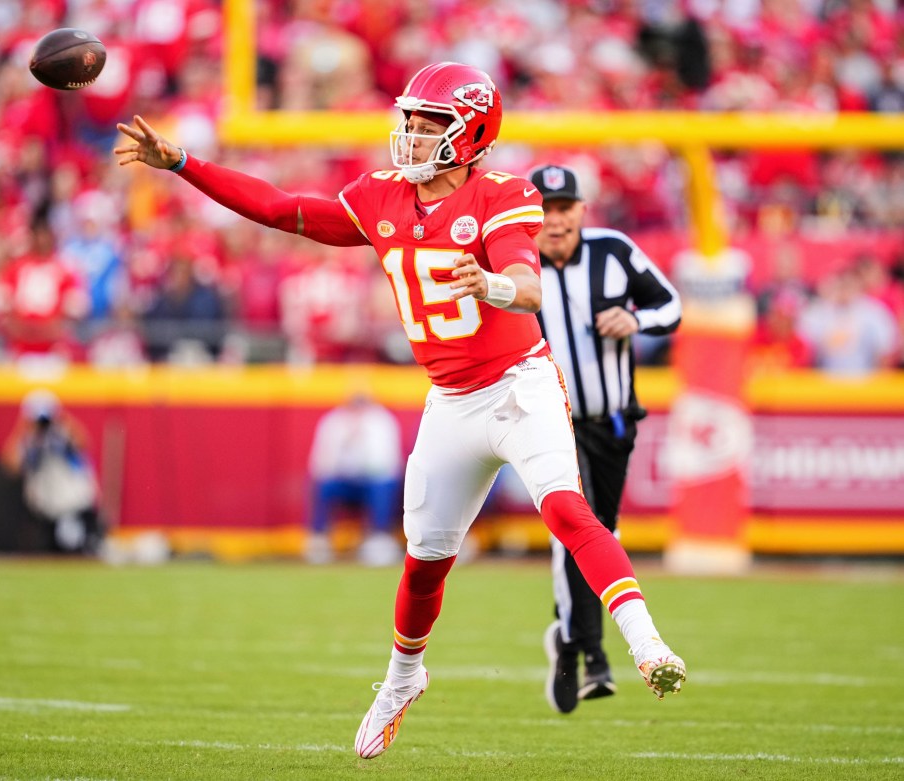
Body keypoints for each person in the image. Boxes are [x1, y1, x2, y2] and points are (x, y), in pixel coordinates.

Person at [114, 60, 686, 759]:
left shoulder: (502, 194)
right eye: (409, 122)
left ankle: (646, 642)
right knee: (424, 561)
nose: (411, 136)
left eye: (428, 125)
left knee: (567, 510)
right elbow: (278, 208)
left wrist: (497, 289)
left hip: (519, 384)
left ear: (470, 133)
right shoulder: (381, 197)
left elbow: (528, 286)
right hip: (451, 399)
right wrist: (181, 162)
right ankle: (402, 679)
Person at [528, 164, 683, 715]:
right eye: (544, 207)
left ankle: (567, 637)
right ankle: (592, 655)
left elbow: (671, 305)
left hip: (614, 421)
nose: (555, 218)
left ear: (581, 210)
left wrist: (634, 319)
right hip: (553, 426)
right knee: (580, 529)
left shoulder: (613, 251)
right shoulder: (515, 261)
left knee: (602, 534)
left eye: (564, 206)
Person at [305, 392, 403, 566]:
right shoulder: (333, 422)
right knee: (323, 486)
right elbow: (320, 465)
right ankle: (319, 538)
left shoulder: (381, 422)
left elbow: (389, 465)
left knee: (382, 487)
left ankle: (378, 537)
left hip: (373, 484)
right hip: (344, 481)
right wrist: (346, 444)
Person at [0, 389, 102, 555]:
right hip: (44, 513)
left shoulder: (63, 435)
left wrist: (62, 422)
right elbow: (10, 465)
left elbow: (84, 443)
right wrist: (24, 431)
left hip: (73, 508)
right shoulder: (28, 440)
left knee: (74, 551)